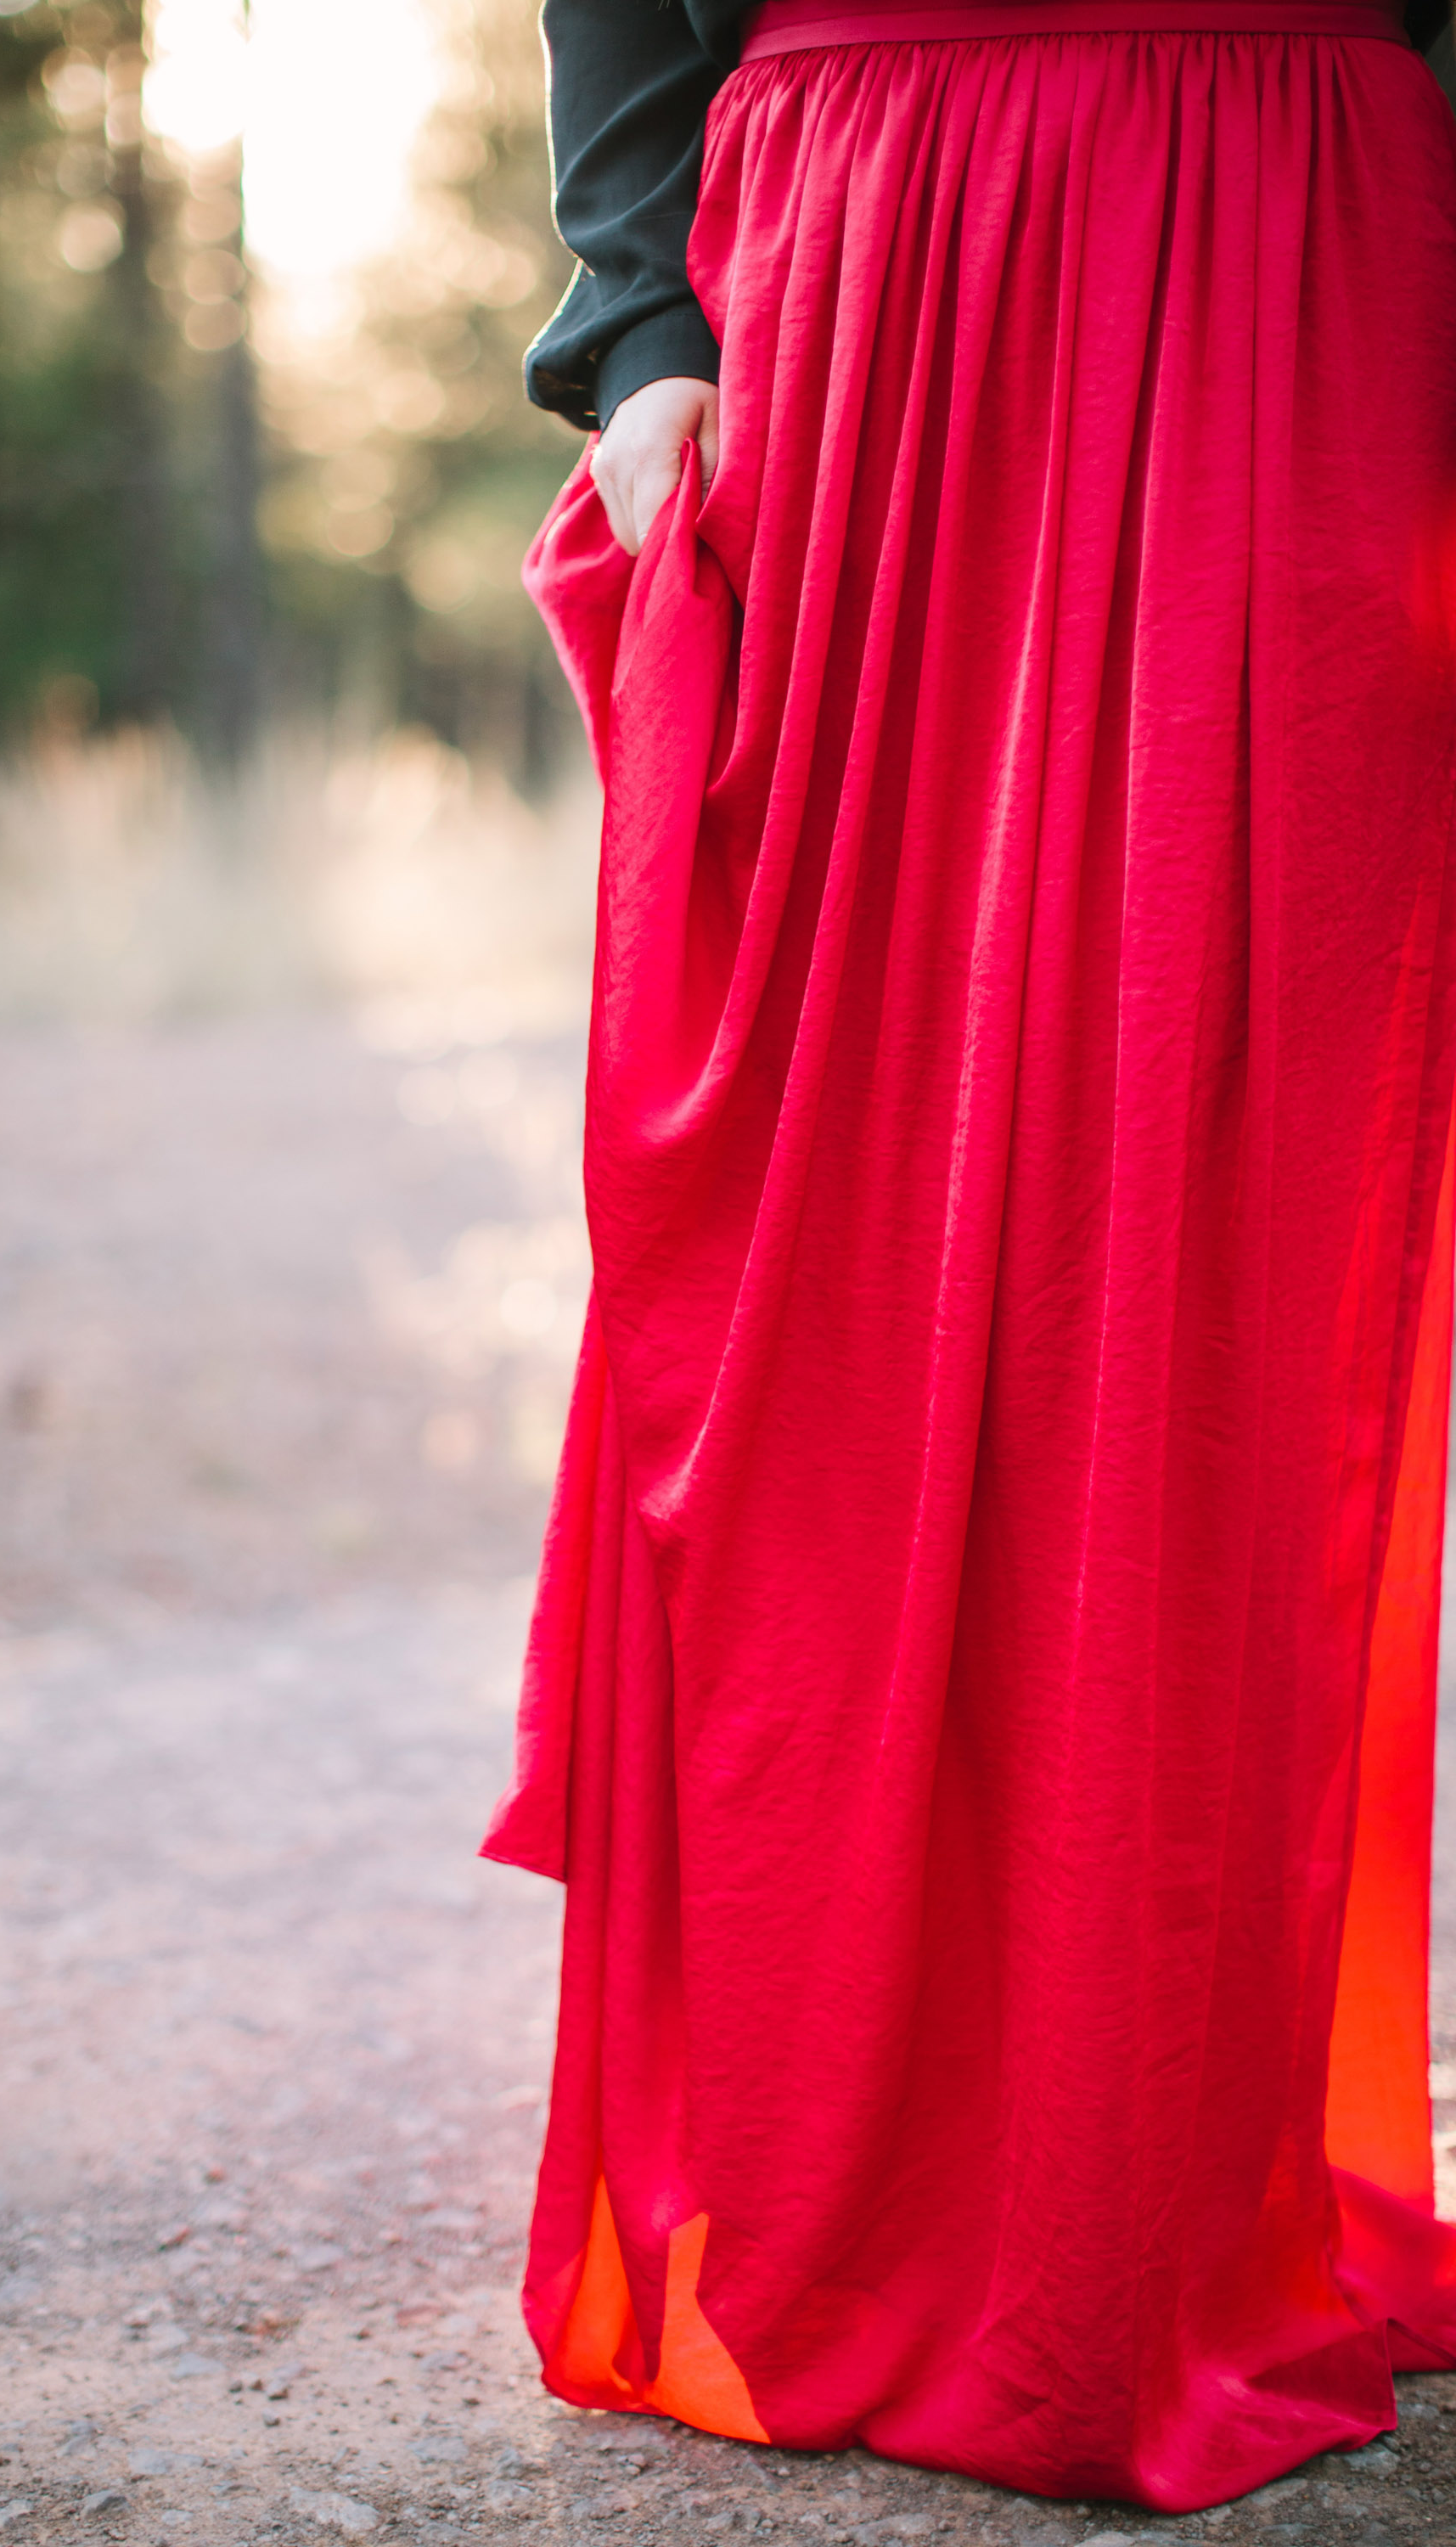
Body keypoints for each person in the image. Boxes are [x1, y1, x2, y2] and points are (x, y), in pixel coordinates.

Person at [483, 0, 1456, 2510]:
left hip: (1299, 260)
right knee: (844, 1293)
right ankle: (849, 2175)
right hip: (879, 285)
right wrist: (639, 316)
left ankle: (1152, 2198)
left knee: (1228, 1283)